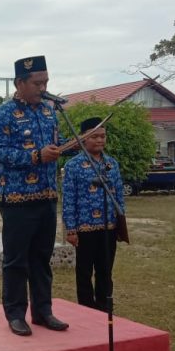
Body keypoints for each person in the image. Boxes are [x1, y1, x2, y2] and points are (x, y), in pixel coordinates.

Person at [0, 55, 74, 336]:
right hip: (17, 200)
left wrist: (69, 146)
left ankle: (43, 311)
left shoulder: (51, 111)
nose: (43, 87)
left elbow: (56, 146)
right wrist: (36, 156)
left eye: (46, 81)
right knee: (16, 260)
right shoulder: (3, 113)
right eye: (38, 82)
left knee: (42, 258)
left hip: (47, 195)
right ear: (20, 83)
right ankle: (15, 314)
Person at [63, 117, 126, 312]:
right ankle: (86, 310)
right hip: (85, 228)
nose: (100, 140)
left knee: (105, 271)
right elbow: (68, 198)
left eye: (103, 136)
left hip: (108, 226)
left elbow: (119, 194)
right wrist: (71, 229)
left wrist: (120, 222)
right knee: (84, 272)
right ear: (83, 139)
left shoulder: (112, 164)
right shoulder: (73, 165)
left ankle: (105, 308)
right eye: (95, 136)